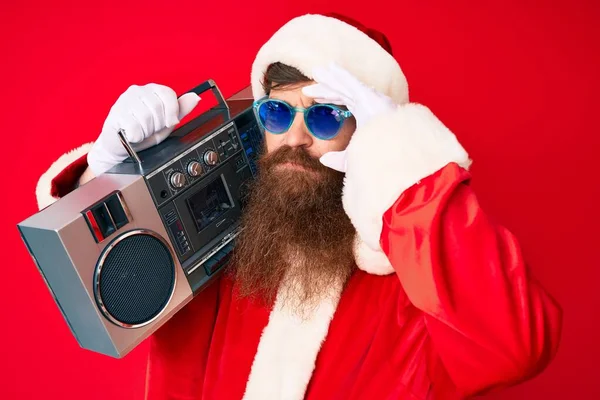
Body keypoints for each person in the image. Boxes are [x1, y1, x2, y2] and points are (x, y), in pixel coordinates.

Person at [34, 13, 562, 400]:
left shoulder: (419, 283)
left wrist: (407, 169)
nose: (296, 136)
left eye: (328, 116)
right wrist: (108, 175)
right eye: (278, 111)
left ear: (372, 133)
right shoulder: (223, 252)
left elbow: (515, 347)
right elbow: (105, 287)